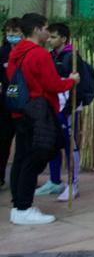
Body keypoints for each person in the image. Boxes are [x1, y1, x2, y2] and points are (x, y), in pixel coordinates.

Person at [7, 13, 80, 225]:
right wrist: (71, 81)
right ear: (38, 29)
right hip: (37, 111)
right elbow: (53, 85)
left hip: (19, 110)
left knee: (21, 157)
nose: (48, 32)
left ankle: (18, 205)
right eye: (46, 28)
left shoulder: (16, 53)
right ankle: (24, 208)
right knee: (35, 157)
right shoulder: (39, 54)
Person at [33, 23, 87, 201]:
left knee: (69, 144)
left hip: (67, 107)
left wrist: (72, 105)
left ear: (63, 39)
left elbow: (80, 84)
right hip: (53, 106)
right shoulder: (50, 55)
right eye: (49, 36)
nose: (49, 40)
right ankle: (55, 181)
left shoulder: (72, 57)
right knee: (53, 142)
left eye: (54, 37)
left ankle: (73, 184)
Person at [0, 17, 22, 190]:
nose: (11, 35)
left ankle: (22, 179)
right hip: (4, 105)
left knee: (24, 146)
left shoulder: (28, 52)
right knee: (3, 143)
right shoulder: (2, 52)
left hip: (24, 105)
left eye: (15, 32)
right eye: (8, 32)